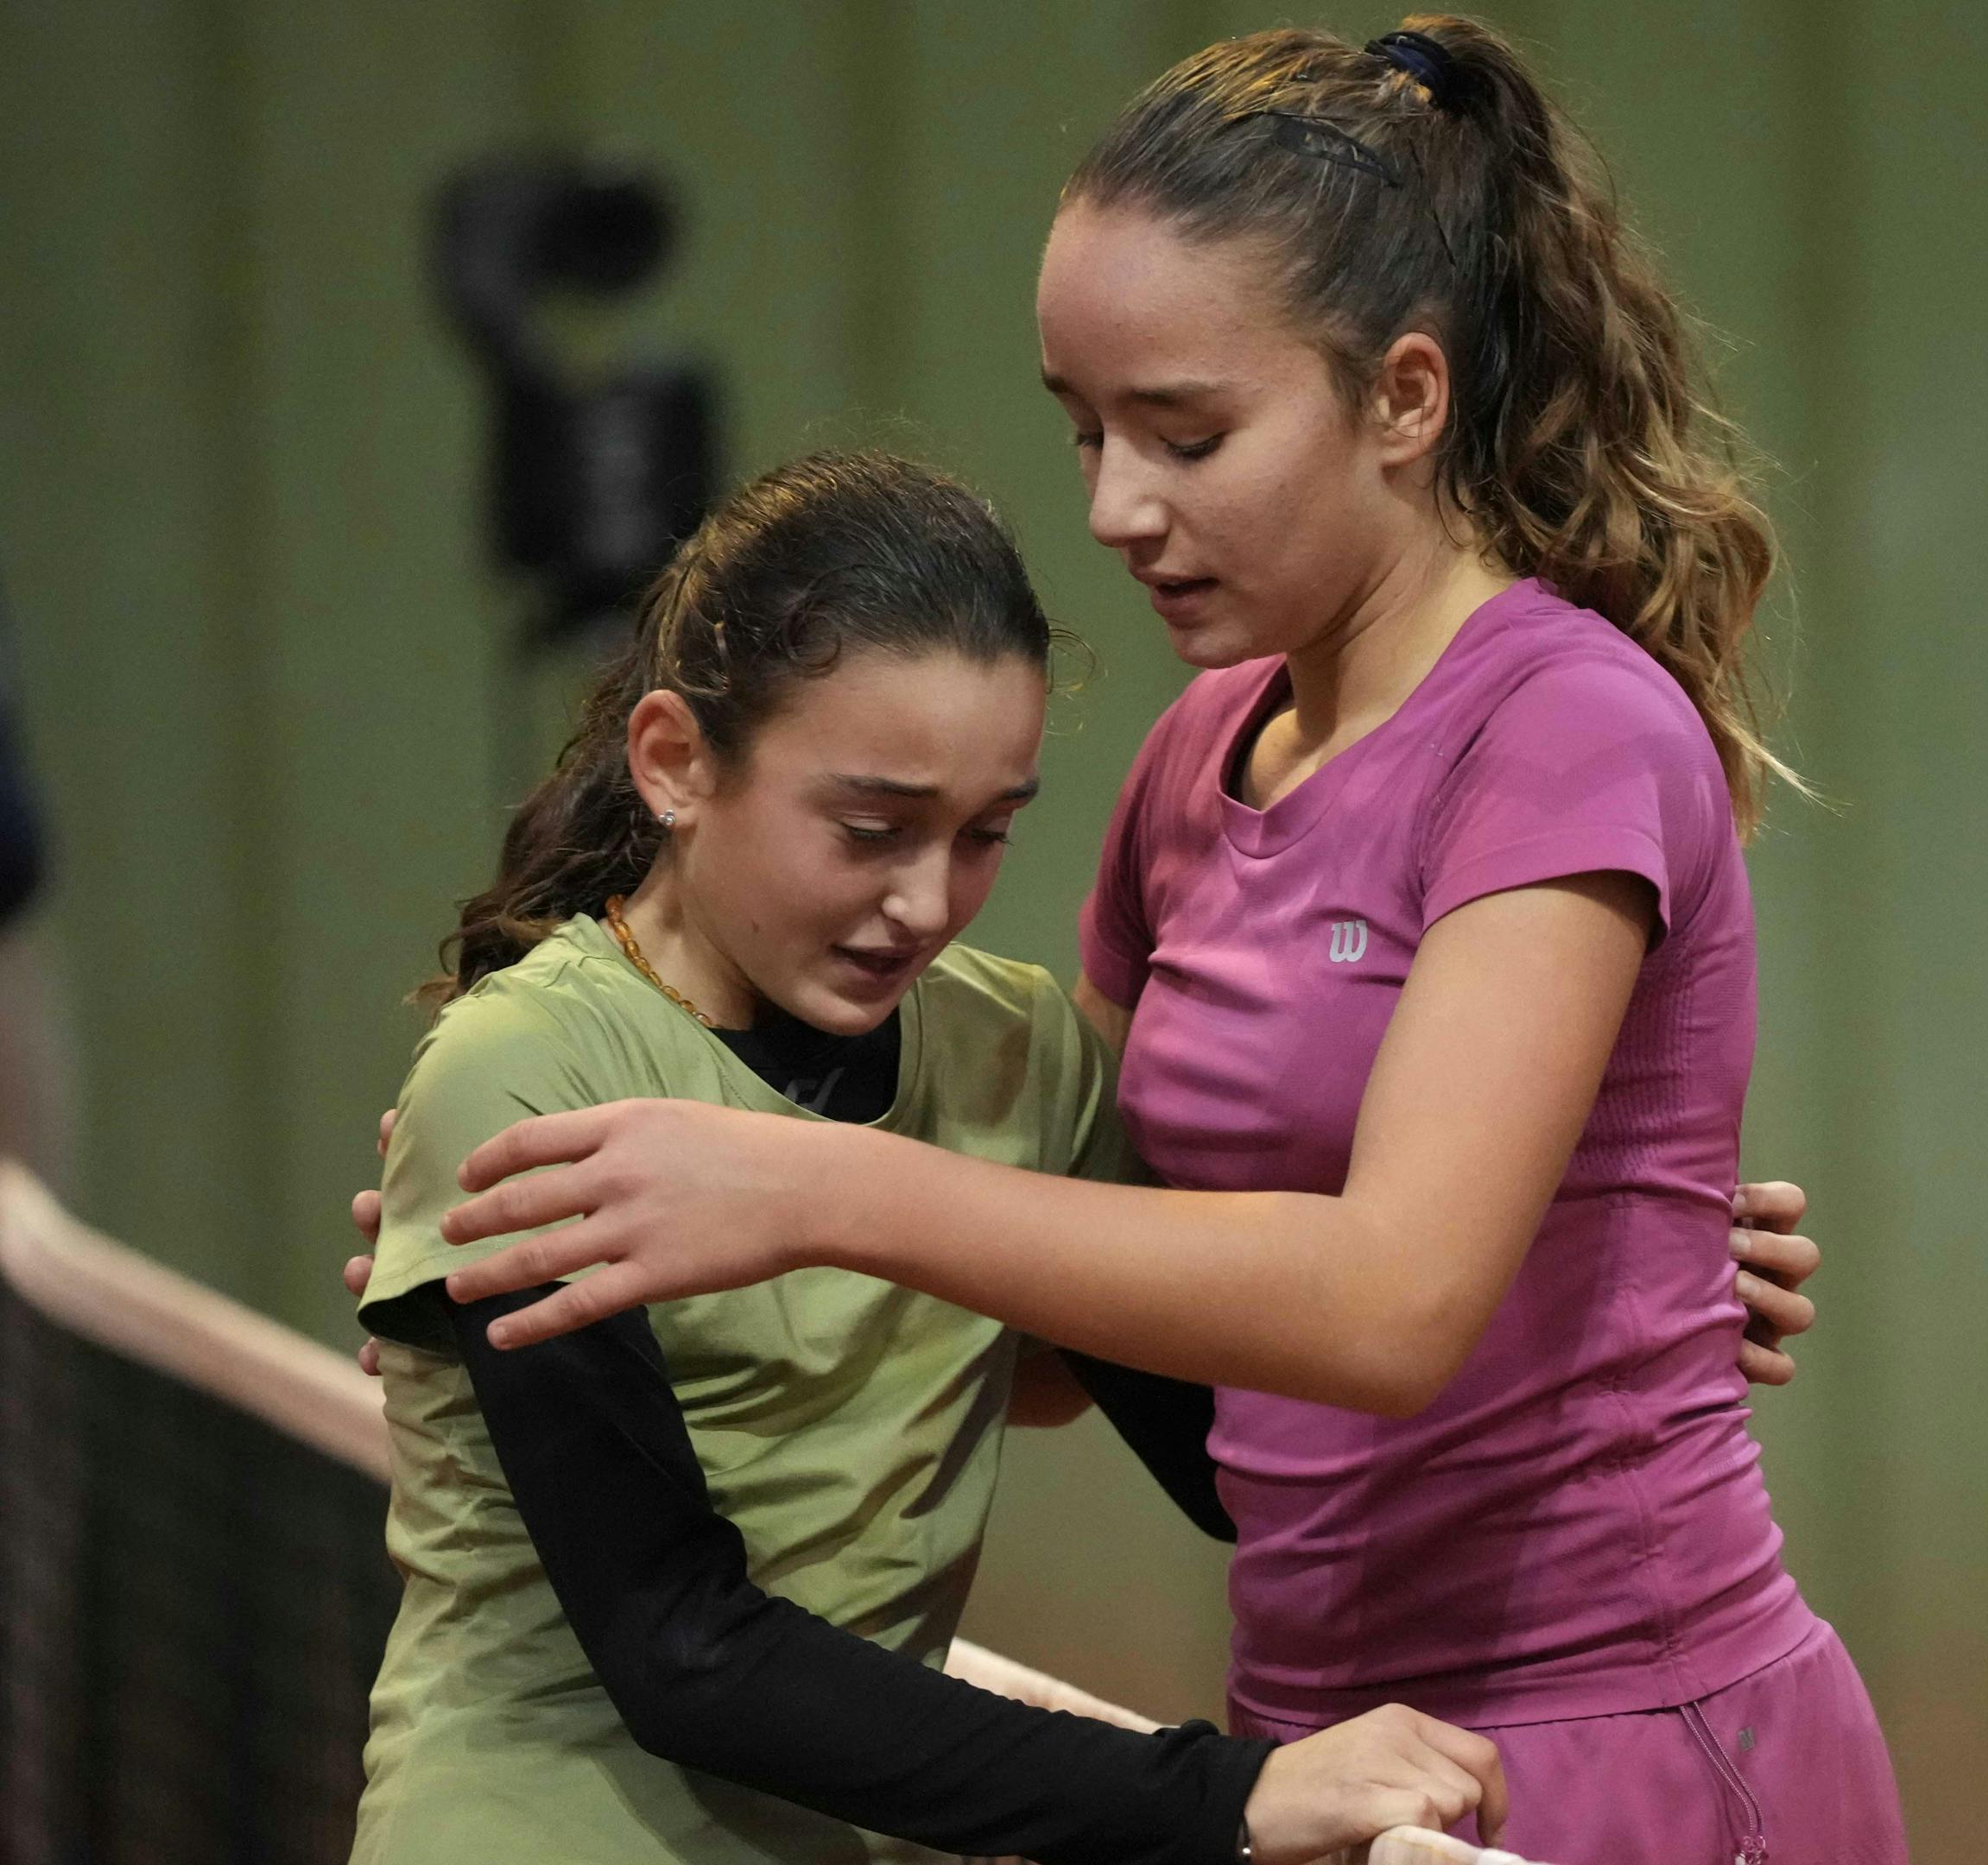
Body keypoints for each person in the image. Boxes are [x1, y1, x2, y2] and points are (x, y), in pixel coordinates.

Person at [420, 21, 1905, 1863]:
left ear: (1406, 399)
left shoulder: (1565, 730)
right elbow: (1073, 1349)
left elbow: (1385, 1305)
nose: (1117, 507)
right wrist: (595, 1288)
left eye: (1188, 435)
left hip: (1614, 1751)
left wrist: (799, 1189)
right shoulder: (1197, 758)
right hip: (1323, 1757)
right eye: (1085, 430)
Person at [350, 451, 1508, 1865]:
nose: (923, 903)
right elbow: (684, 1651)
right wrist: (1226, 1797)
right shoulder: (524, 1073)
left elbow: (1243, 1460)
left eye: (985, 836)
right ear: (674, 764)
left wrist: (1574, 1256)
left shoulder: (1019, 1056)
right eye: (871, 829)